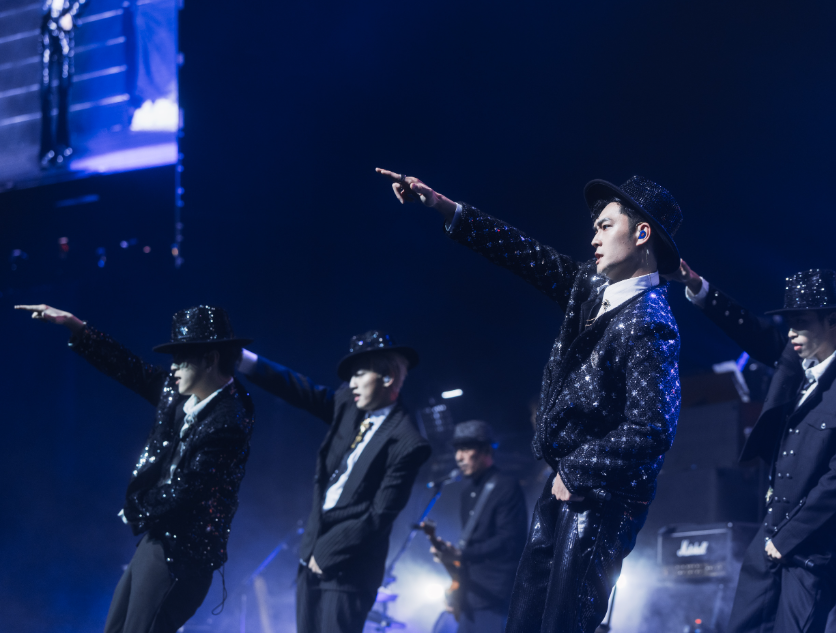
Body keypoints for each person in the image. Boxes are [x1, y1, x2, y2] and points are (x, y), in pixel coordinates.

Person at [377, 167, 683, 633]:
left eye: (605, 226)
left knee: (563, 623)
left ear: (642, 234)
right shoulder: (590, 288)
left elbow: (653, 428)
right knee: (524, 621)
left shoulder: (651, 322)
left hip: (601, 501)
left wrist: (577, 469)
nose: (594, 237)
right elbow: (524, 253)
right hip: (562, 487)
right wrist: (441, 205)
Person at [15, 303, 254, 633]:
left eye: (180, 358)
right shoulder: (180, 394)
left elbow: (188, 491)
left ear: (209, 359)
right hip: (158, 538)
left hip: (184, 555)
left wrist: (137, 508)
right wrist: (75, 326)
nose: (173, 367)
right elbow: (131, 369)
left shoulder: (230, 420)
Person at [671, 265, 836, 633]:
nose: (791, 333)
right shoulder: (796, 359)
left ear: (833, 320)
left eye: (800, 323)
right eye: (789, 323)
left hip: (815, 546)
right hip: (770, 532)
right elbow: (751, 330)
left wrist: (788, 539)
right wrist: (697, 286)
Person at [237, 330, 432, 633]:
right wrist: (243, 360)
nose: (351, 383)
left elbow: (379, 515)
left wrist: (327, 551)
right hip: (311, 556)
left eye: (359, 374)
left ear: (388, 377)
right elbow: (302, 389)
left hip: (349, 569)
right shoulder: (348, 405)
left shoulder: (407, 442)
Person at [427, 420, 528, 633]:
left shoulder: (506, 487)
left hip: (496, 595)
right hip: (470, 593)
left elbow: (509, 541)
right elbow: (471, 547)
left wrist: (461, 554)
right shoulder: (466, 493)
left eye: (465, 449)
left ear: (485, 450)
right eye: (457, 450)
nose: (458, 457)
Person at [40, 0, 88, 168]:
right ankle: (46, 147)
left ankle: (63, 144)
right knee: (46, 89)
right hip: (48, 25)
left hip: (64, 29)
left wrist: (72, 14)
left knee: (64, 86)